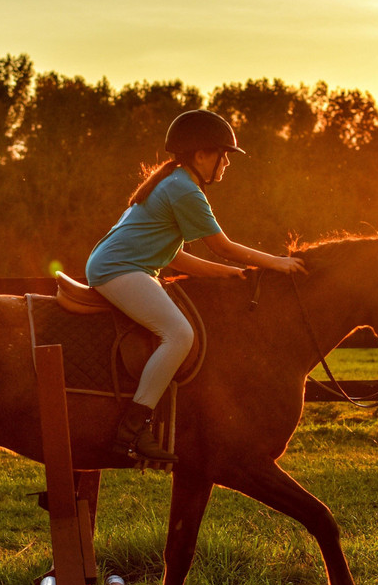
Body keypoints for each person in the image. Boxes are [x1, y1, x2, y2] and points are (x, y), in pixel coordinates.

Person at [85, 109, 306, 463]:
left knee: (177, 331)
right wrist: (275, 262)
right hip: (119, 270)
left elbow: (177, 258)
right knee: (179, 334)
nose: (227, 164)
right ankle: (133, 428)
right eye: (224, 155)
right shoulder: (184, 189)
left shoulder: (173, 182)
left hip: (123, 268)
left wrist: (229, 274)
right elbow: (222, 246)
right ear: (202, 155)